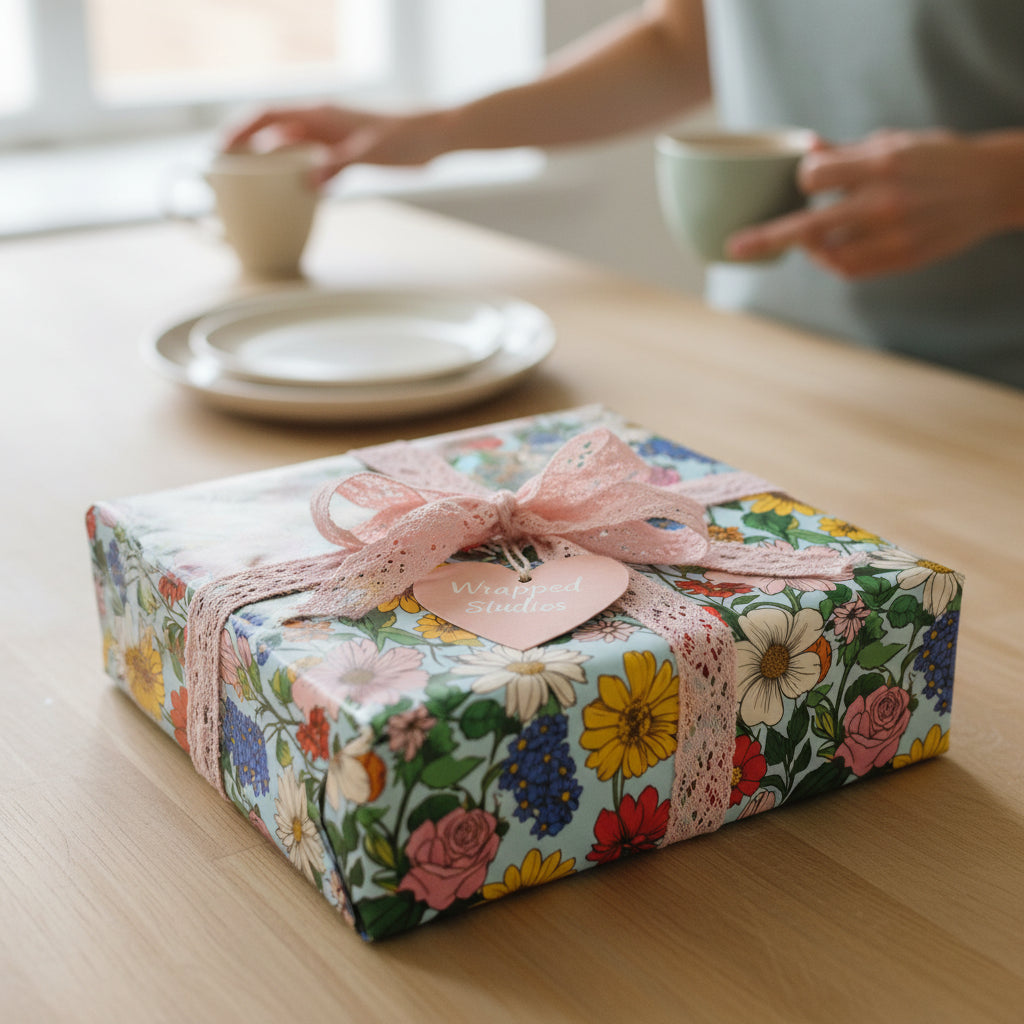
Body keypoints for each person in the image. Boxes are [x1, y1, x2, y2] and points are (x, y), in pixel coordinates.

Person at [224, 0, 1024, 388]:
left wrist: (996, 182)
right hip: (767, 359)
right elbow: (685, 39)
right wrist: (434, 129)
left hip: (989, 392)